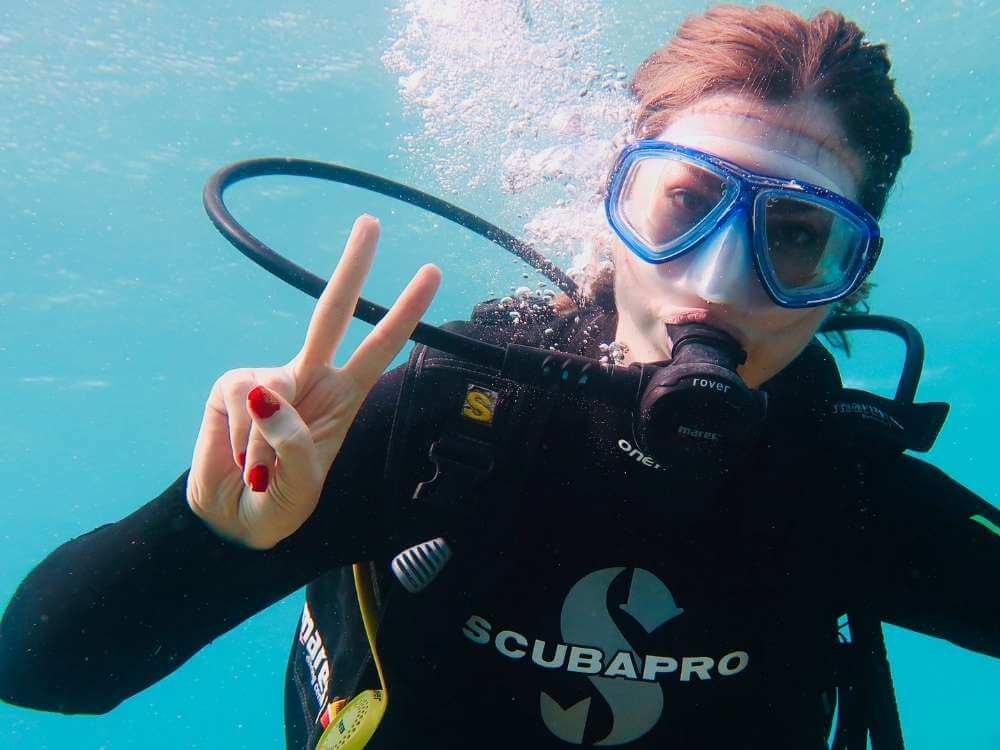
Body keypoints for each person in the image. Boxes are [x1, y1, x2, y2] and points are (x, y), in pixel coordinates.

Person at [1, 5, 998, 749]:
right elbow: (41, 671)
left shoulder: (841, 487)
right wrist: (206, 530)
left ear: (847, 280)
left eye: (794, 236)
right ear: (611, 201)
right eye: (681, 205)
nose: (715, 281)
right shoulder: (440, 427)